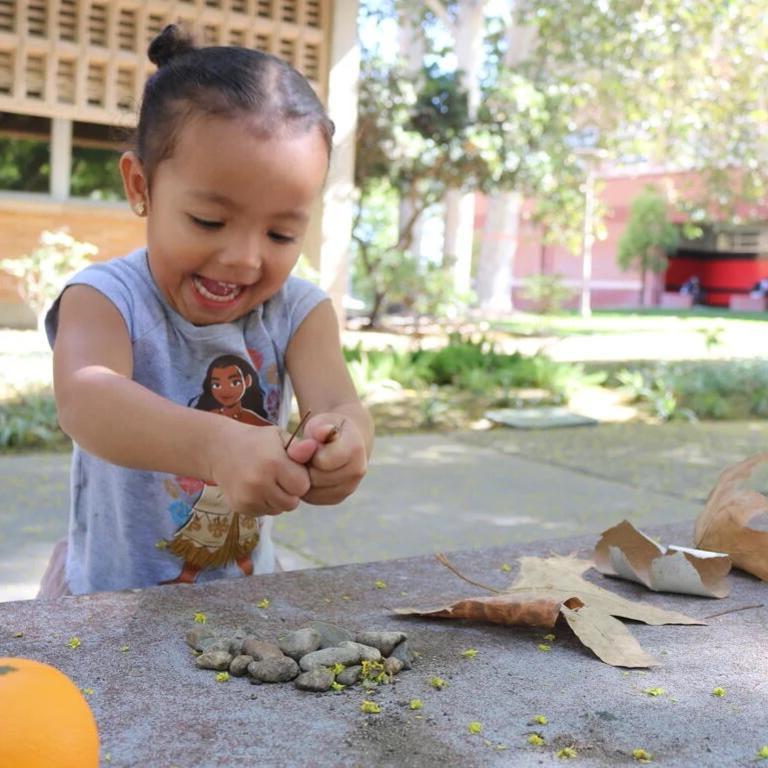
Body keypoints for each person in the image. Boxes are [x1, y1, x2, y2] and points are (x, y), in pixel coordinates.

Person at [39, 24, 373, 597]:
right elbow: (85, 400)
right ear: (141, 186)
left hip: (243, 600)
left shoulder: (298, 312)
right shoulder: (105, 298)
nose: (244, 259)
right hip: (108, 601)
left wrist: (344, 443)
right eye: (209, 222)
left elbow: (341, 405)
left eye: (281, 232)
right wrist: (215, 445)